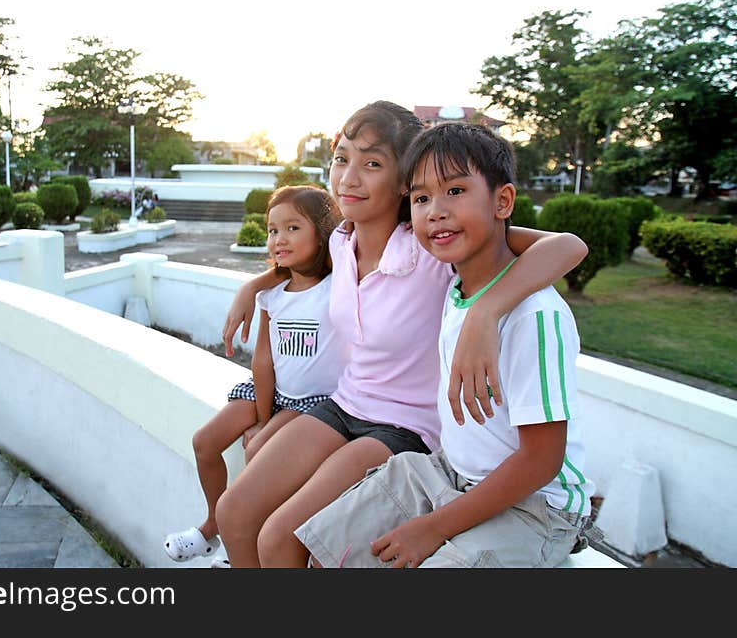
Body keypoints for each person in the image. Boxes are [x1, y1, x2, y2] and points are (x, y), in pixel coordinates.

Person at [214, 101, 588, 567]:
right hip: (346, 402)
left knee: (282, 536)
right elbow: (298, 264)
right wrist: (254, 285)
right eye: (342, 158)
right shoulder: (340, 242)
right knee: (234, 512)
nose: (349, 178)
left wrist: (486, 312)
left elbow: (567, 246)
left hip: (407, 425)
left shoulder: (433, 247)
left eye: (372, 163)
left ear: (400, 181)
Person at [163, 185, 346, 564]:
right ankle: (214, 527)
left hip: (315, 401)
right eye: (272, 230)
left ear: (323, 231)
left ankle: (239, 537)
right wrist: (264, 417)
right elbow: (263, 361)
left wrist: (267, 429)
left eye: (293, 228)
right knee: (204, 441)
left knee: (257, 448)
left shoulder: (339, 285)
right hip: (273, 390)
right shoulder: (273, 294)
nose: (279, 239)